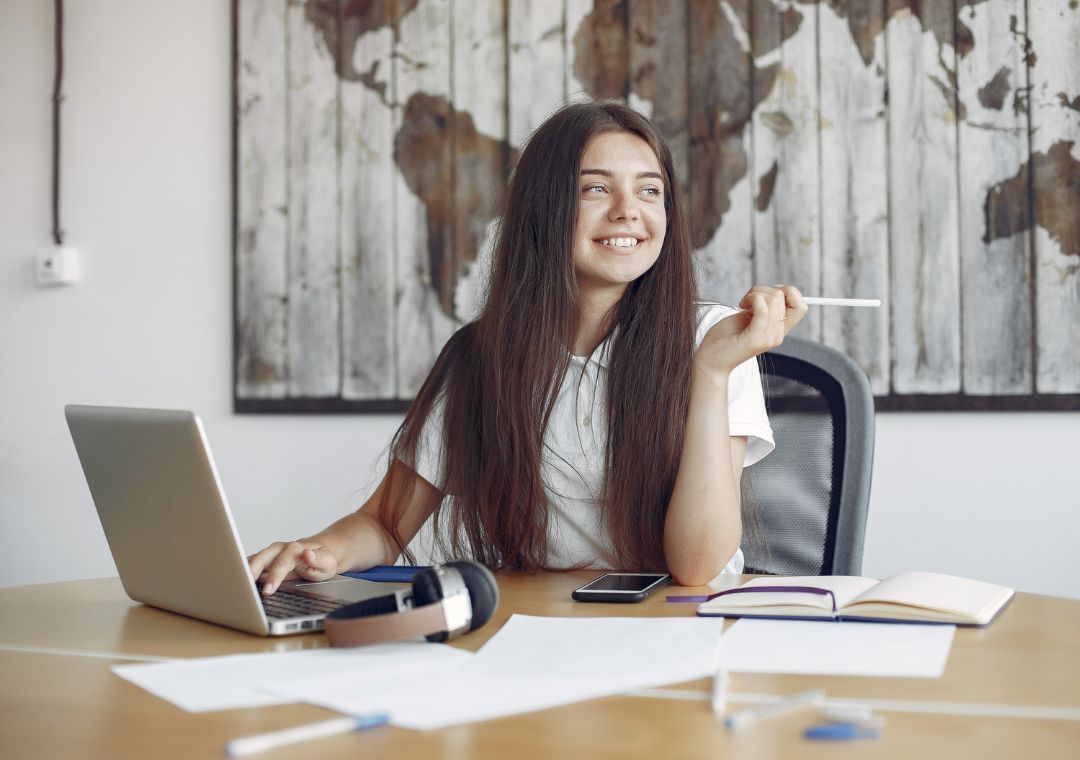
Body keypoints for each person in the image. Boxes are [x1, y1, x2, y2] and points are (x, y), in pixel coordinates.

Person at [249, 100, 807, 591]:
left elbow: (698, 568)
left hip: (684, 625)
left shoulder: (713, 341)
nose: (627, 210)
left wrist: (710, 374)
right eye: (595, 188)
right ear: (545, 208)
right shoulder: (481, 357)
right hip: (545, 627)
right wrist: (317, 552)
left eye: (649, 190)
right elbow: (386, 525)